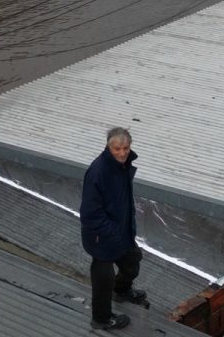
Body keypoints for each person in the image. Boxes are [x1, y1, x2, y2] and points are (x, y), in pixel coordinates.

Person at [80, 127, 147, 331]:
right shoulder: (98, 171)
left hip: (121, 230)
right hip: (102, 236)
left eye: (126, 148)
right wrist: (111, 231)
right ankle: (101, 319)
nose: (122, 152)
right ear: (109, 147)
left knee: (132, 260)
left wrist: (126, 226)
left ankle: (122, 291)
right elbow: (89, 213)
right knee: (103, 279)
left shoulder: (122, 166)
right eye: (117, 148)